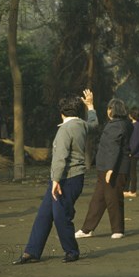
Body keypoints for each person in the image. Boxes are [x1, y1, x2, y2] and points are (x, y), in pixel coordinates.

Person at [13, 90, 98, 264]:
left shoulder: (65, 129)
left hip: (66, 179)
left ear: (61, 112)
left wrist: (55, 181)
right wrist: (90, 105)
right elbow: (94, 124)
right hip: (71, 178)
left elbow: (60, 157)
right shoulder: (81, 124)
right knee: (44, 215)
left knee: (61, 216)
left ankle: (72, 251)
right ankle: (32, 251)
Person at [75, 98, 132, 239]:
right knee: (98, 200)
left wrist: (110, 169)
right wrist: (90, 106)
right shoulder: (123, 124)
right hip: (107, 168)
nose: (107, 111)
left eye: (109, 108)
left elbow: (113, 148)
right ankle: (87, 229)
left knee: (113, 199)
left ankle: (118, 230)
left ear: (113, 110)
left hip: (113, 169)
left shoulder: (116, 126)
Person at [124, 107, 139, 198]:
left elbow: (135, 141)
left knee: (132, 172)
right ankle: (127, 189)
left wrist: (131, 152)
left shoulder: (137, 126)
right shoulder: (135, 125)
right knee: (128, 172)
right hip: (132, 152)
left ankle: (132, 190)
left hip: (133, 153)